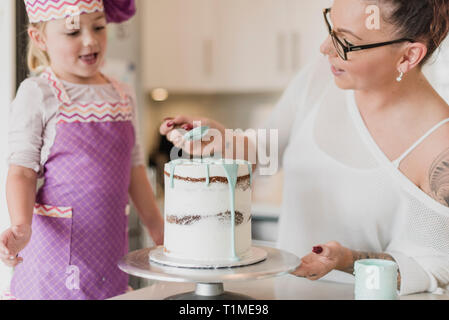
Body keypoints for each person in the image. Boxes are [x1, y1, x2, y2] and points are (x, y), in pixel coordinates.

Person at [160, 0, 449, 295]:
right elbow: (264, 152)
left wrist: (348, 261)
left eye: (345, 41)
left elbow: (431, 269)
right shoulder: (323, 78)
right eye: (331, 28)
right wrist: (224, 140)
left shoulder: (440, 148)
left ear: (409, 55)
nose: (325, 48)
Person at [0, 0, 164, 300]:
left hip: (109, 258)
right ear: (40, 39)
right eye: (73, 32)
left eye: (99, 27)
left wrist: (159, 230)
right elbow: (22, 171)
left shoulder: (123, 94)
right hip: (52, 266)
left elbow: (134, 167)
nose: (90, 40)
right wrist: (21, 226)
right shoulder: (38, 93)